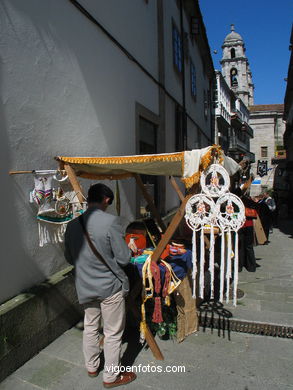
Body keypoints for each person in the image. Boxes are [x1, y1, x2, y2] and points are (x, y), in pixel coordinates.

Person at [64, 183, 136, 388]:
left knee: (90, 327)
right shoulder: (111, 222)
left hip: (85, 285)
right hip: (109, 287)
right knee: (112, 333)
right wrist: (129, 249)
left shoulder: (72, 224)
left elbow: (70, 258)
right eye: (109, 203)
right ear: (106, 200)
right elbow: (123, 258)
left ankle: (92, 367)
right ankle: (111, 377)